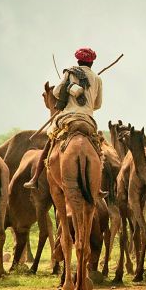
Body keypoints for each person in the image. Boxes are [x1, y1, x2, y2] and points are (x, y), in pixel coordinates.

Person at [24, 47, 103, 189]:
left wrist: (67, 96)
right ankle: (98, 186)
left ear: (78, 61)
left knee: (51, 139)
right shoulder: (97, 78)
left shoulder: (69, 72)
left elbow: (55, 92)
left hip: (67, 118)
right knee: (97, 146)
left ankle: (35, 179)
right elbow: (97, 105)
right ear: (92, 63)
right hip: (87, 120)